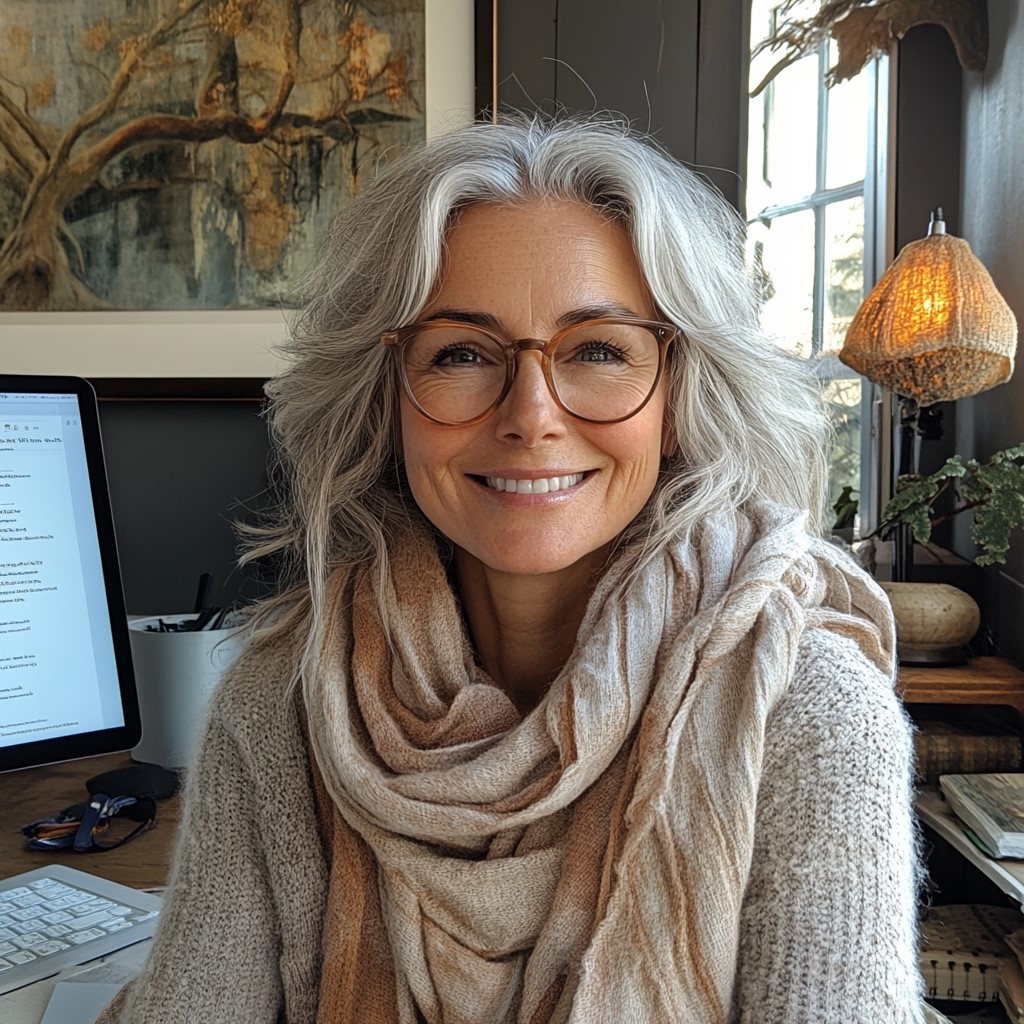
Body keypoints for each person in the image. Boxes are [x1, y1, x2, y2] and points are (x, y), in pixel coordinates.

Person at [99, 116, 924, 1024]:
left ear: (681, 396)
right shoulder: (282, 705)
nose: (531, 415)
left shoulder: (809, 713)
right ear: (388, 401)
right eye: (460, 353)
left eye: (600, 349)